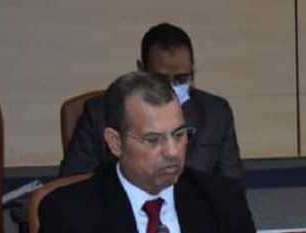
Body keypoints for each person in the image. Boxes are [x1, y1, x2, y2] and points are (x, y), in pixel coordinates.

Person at [28, 71, 275, 233]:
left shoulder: (221, 198)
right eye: (153, 140)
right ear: (115, 142)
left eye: (179, 134)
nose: (172, 151)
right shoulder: (71, 210)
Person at [59, 22, 243, 180]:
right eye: (162, 79)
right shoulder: (100, 113)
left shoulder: (216, 113)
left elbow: (232, 186)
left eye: (181, 79)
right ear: (142, 69)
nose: (172, 88)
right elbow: (73, 182)